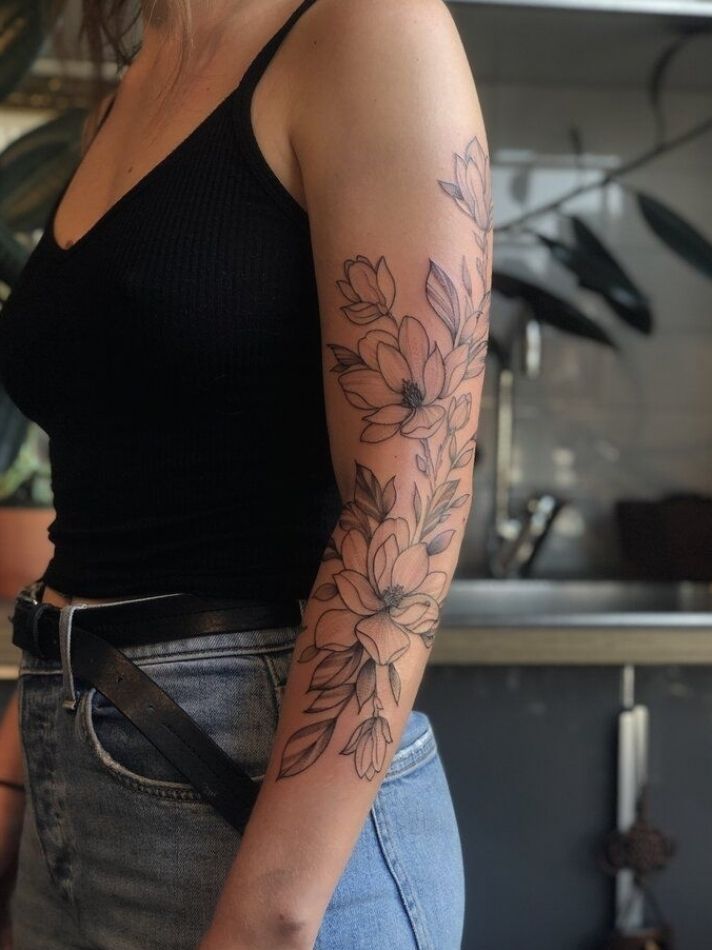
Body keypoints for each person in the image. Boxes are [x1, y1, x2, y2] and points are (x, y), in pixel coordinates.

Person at [0, 0, 492, 946]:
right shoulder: (138, 81)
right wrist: (21, 776)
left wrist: (271, 914)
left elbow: (410, 499)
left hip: (254, 808)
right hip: (73, 774)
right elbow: (105, 509)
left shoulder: (371, 26)